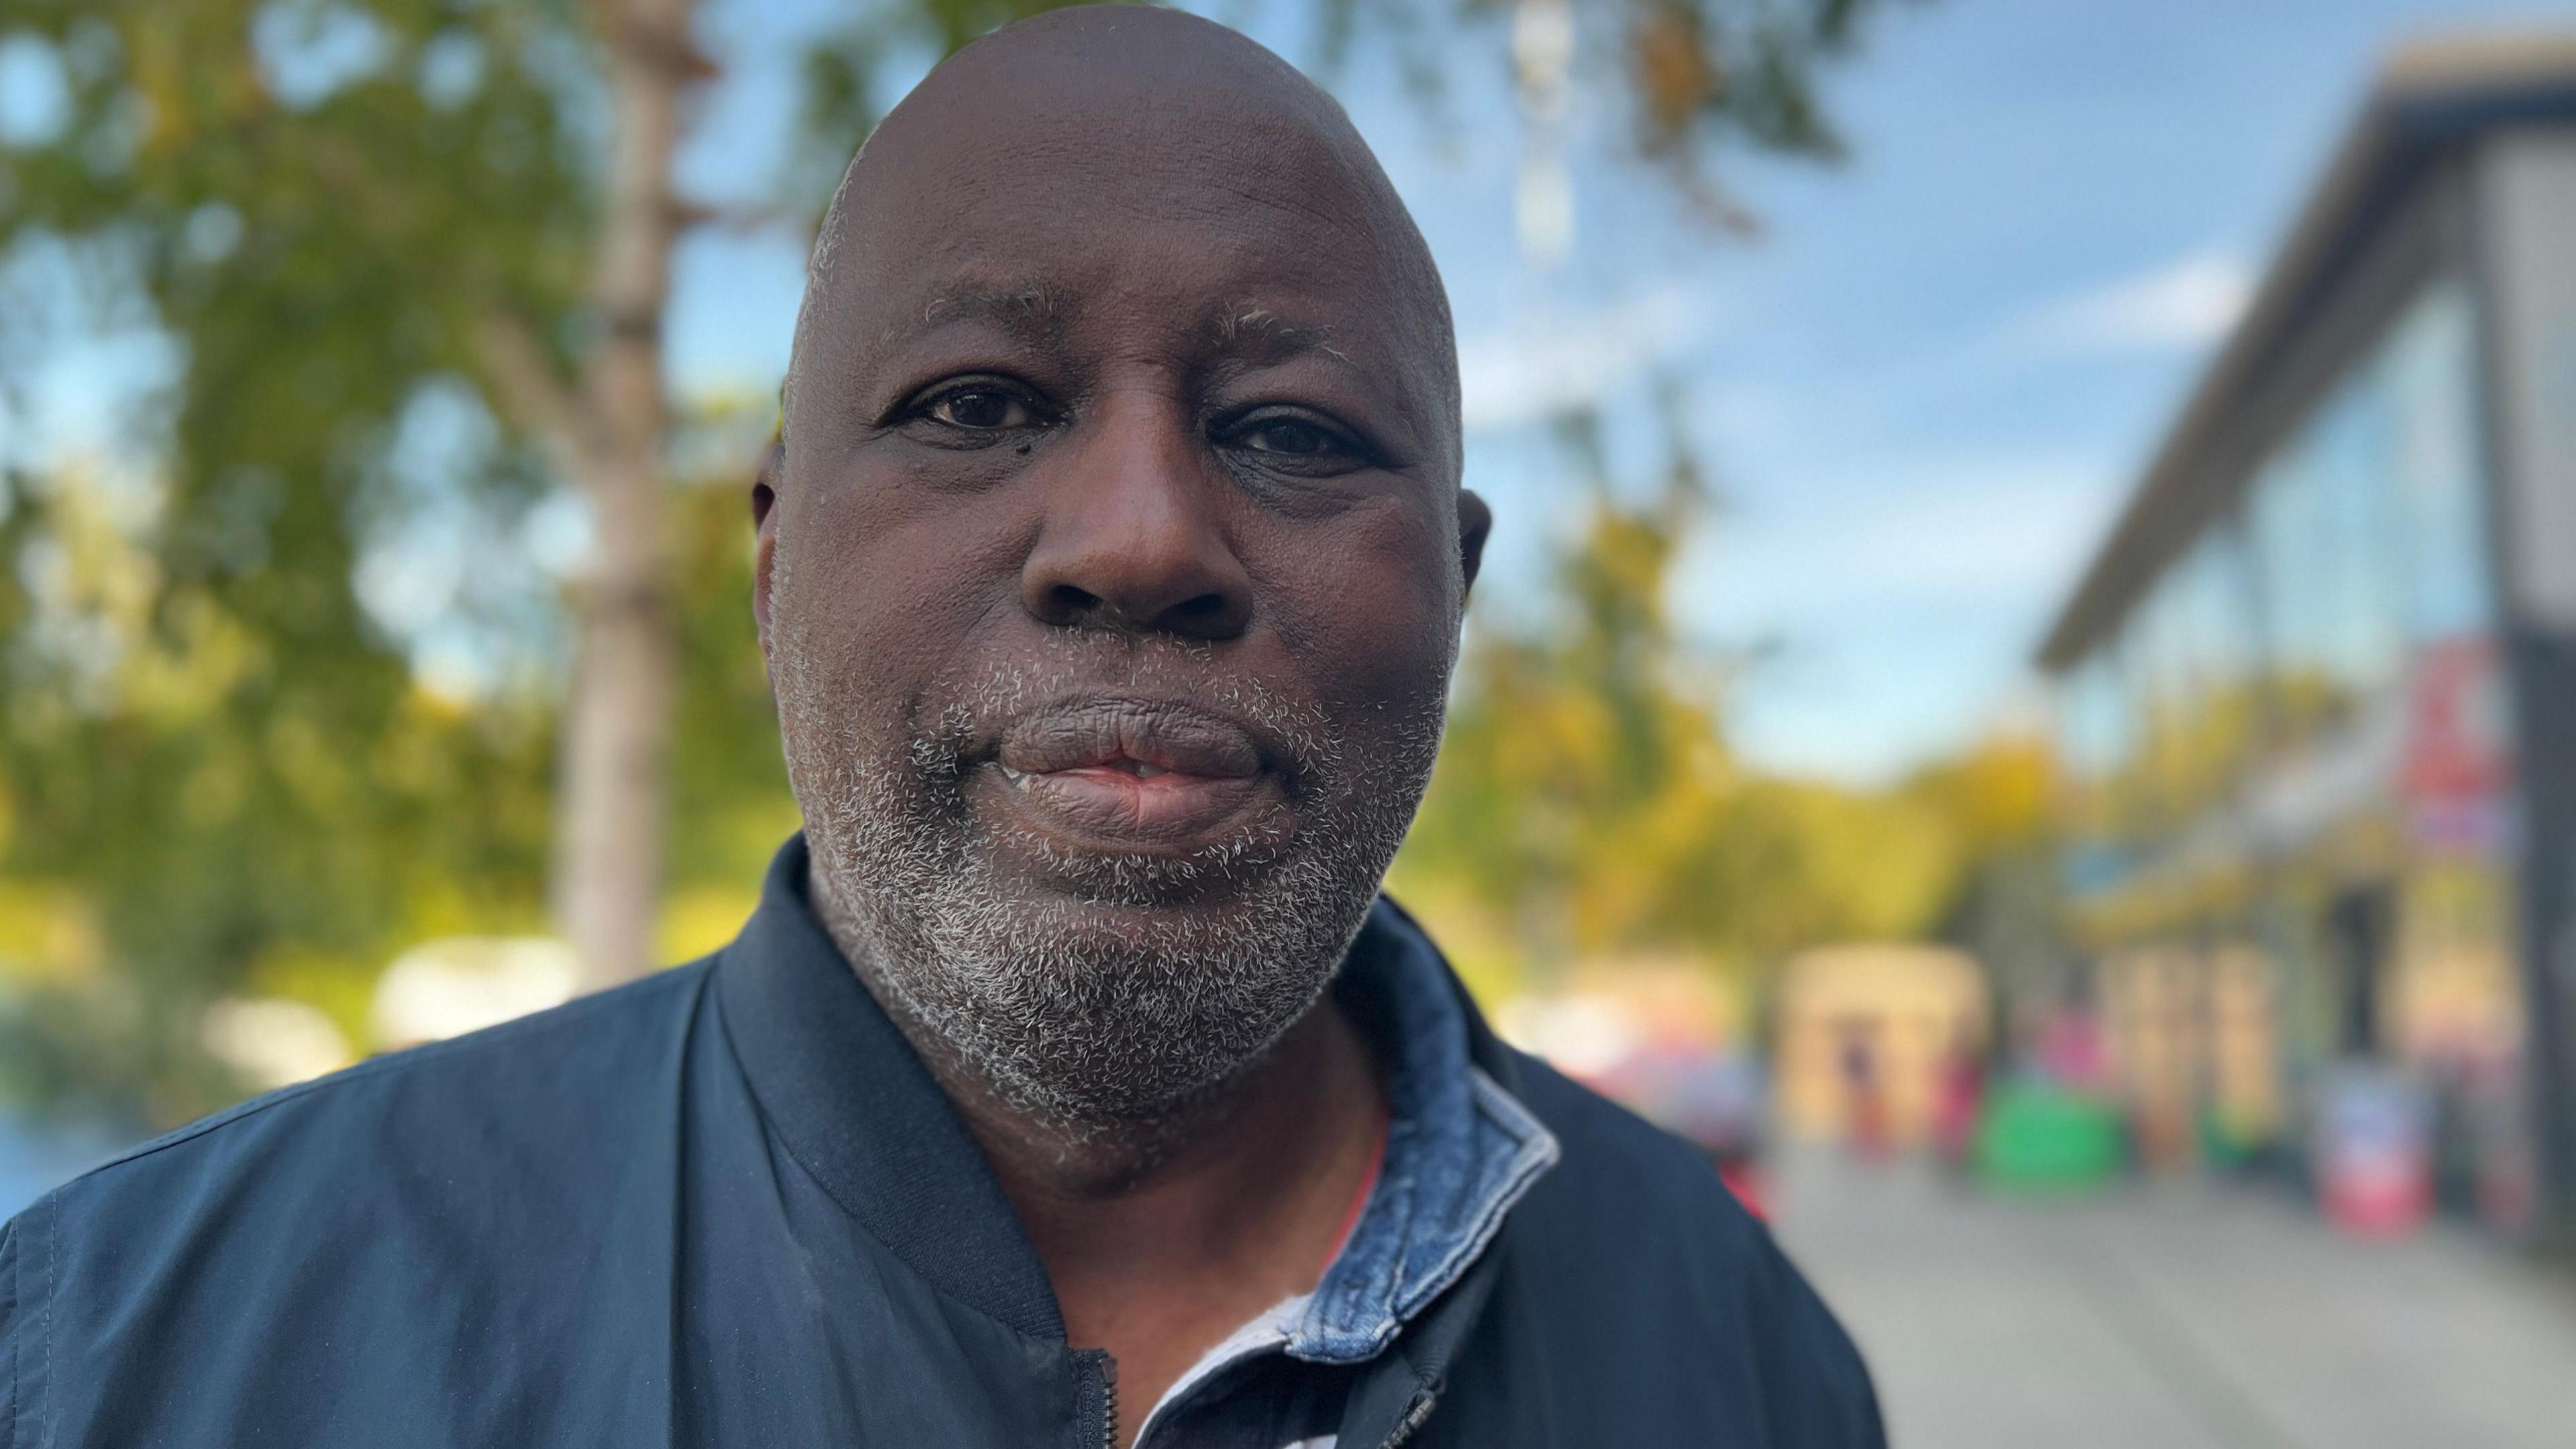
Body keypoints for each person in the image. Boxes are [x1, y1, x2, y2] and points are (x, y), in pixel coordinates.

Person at [0, 9, 1882, 1446]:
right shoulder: (133, 1354)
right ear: (768, 561)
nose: (1140, 537)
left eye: (1294, 431)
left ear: (1456, 591)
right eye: (979, 405)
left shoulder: (1734, 1347)